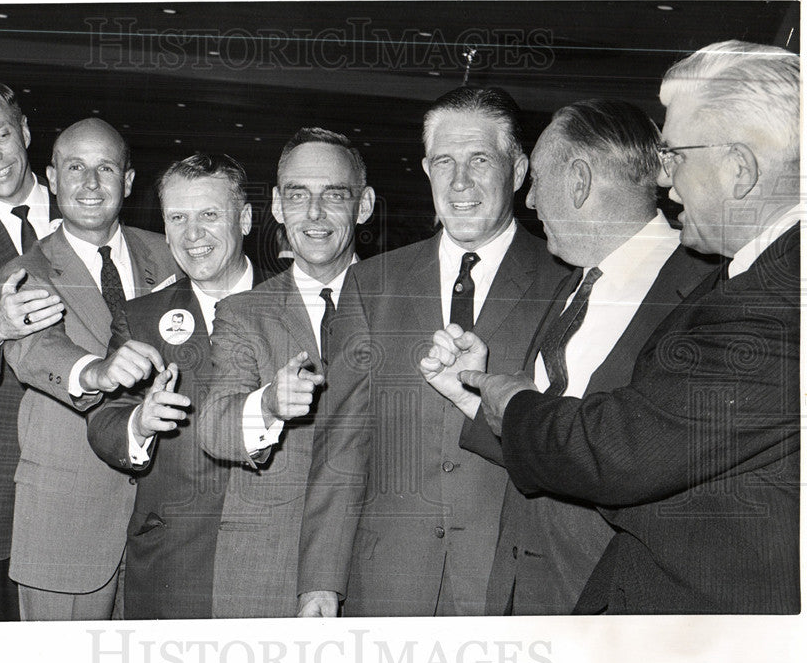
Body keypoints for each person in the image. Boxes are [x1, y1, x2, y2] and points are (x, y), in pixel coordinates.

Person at [422, 41, 800, 614]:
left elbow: (624, 450)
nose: (667, 181)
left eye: (677, 156)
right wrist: (478, 394)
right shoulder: (576, 281)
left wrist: (508, 396)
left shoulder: (770, 296)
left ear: (740, 169)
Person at [297, 87, 570, 617]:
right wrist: (320, 582)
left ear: (517, 171)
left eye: (480, 160)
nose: (460, 182)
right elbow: (342, 450)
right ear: (426, 169)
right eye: (444, 161)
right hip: (388, 582)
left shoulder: (564, 281)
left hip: (510, 587)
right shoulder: (370, 285)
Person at [450, 99, 717, 614]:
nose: (529, 202)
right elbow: (555, 436)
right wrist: (472, 395)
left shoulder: (706, 292)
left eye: (538, 181)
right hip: (521, 594)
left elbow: (634, 456)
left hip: (615, 605)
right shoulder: (572, 283)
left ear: (577, 181)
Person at [0, 118, 177, 620]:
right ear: (51, 178)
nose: (91, 184)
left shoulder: (169, 255)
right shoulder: (24, 272)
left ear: (129, 181)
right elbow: (35, 350)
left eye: (106, 168)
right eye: (76, 168)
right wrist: (96, 371)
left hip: (160, 529)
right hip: (64, 525)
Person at [197, 128, 375, 617]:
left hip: (376, 566)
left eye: (333, 195)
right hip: (267, 571)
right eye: (298, 196)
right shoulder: (242, 312)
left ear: (364, 206)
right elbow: (214, 427)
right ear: (277, 205)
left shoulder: (401, 304)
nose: (314, 214)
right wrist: (269, 405)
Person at [87, 153, 265, 619]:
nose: (193, 235)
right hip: (172, 565)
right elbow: (104, 421)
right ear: (164, 229)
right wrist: (138, 424)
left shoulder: (297, 305)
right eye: (178, 218)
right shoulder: (141, 316)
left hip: (272, 562)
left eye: (209, 215)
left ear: (244, 218)